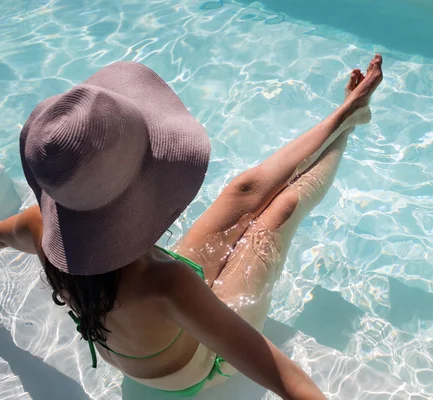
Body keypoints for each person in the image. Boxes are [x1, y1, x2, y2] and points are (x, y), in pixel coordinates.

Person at [0, 54, 383, 399]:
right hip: (200, 372)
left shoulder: (42, 228)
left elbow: (248, 189)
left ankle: (347, 115)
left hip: (159, 325)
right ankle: (348, 127)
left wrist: (339, 112)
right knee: (280, 211)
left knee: (240, 193)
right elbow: (285, 380)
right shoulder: (168, 284)